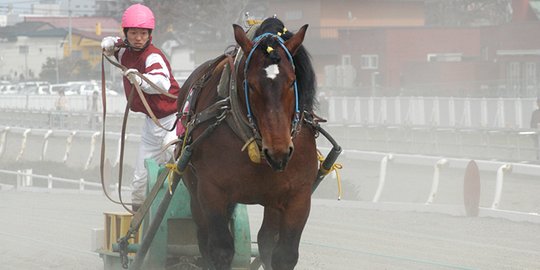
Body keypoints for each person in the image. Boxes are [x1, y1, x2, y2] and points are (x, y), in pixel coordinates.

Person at [101, 3, 180, 210]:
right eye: (133, 33)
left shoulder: (153, 56)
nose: (138, 38)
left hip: (172, 121)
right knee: (139, 181)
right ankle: (138, 226)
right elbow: (113, 49)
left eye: (143, 33)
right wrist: (109, 43)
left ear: (149, 34)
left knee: (171, 162)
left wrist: (141, 79)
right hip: (150, 124)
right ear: (126, 33)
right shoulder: (124, 52)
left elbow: (161, 82)